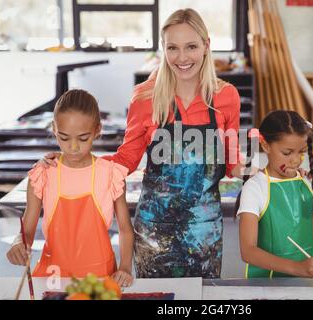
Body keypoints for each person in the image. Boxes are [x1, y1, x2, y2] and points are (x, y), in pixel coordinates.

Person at [42, 9, 244, 278]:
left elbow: (233, 163)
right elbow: (127, 159)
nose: (182, 58)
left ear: (206, 46)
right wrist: (73, 160)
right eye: (173, 48)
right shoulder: (146, 97)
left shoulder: (226, 97)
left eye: (191, 47)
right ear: (163, 48)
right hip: (154, 231)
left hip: (204, 232)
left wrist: (276, 170)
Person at [6, 89, 134, 286]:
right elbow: (28, 231)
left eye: (83, 138)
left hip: (100, 274)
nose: (73, 147)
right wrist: (18, 244)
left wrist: (125, 267)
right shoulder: (44, 173)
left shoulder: (110, 174)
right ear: (54, 129)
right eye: (64, 138)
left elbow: (125, 229)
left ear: (97, 130)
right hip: (53, 275)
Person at [236, 110, 313, 278]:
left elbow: (312, 239)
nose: (295, 160)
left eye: (301, 152)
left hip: (305, 282)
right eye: (287, 153)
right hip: (266, 285)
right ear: (265, 146)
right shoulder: (255, 188)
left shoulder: (310, 184)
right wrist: (297, 268)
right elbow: (248, 251)